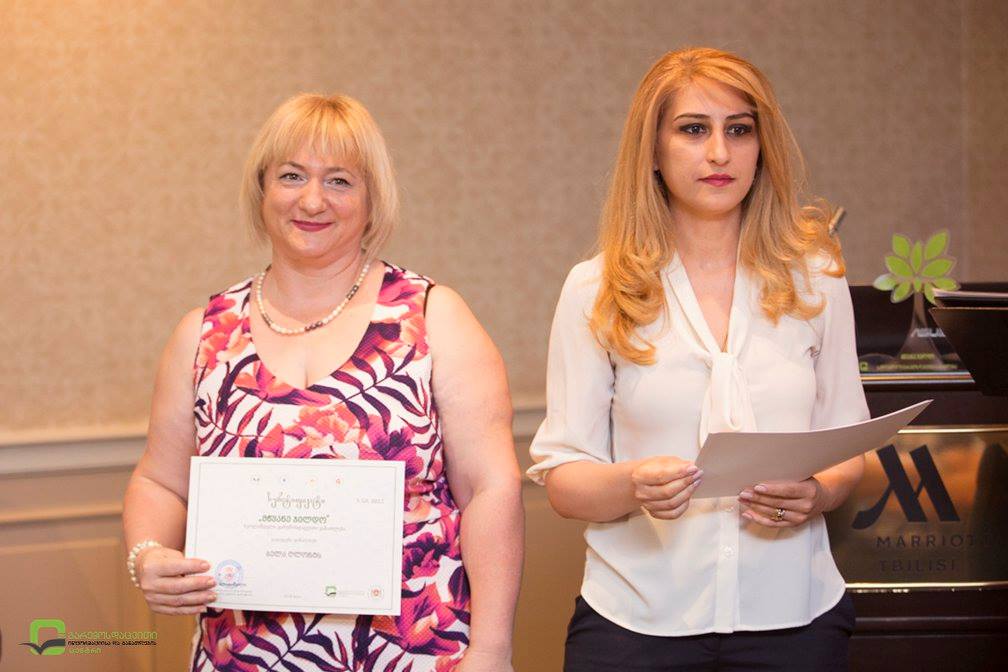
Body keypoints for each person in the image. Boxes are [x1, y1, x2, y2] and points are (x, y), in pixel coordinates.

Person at [122, 93, 523, 672]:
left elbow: (491, 488)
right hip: (243, 654)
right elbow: (160, 481)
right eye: (292, 176)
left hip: (414, 652)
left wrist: (492, 649)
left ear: (372, 200)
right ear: (262, 189)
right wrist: (147, 554)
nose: (312, 200)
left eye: (339, 181)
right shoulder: (204, 332)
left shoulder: (434, 317)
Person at [528, 47, 867, 671]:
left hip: (796, 618)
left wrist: (818, 494)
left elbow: (850, 446)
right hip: (634, 622)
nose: (719, 153)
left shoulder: (817, 277)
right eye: (692, 130)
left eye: (739, 130)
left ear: (761, 148)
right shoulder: (595, 288)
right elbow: (567, 481)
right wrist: (631, 484)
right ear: (653, 152)